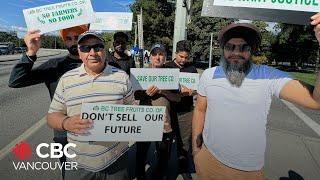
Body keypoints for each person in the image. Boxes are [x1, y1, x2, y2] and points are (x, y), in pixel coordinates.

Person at [192, 13, 320, 180]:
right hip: (207, 161)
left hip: (247, 172)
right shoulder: (208, 75)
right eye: (230, 46)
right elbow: (200, 110)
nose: (236, 53)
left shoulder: (267, 76)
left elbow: (315, 101)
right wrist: (196, 150)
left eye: (244, 47)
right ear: (222, 49)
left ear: (251, 50)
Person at [47, 31, 134, 180]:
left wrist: (155, 120)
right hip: (78, 164)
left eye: (97, 47)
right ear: (80, 53)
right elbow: (52, 116)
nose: (93, 52)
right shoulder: (66, 80)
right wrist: (66, 122)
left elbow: (134, 110)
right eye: (86, 48)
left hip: (117, 161)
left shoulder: (121, 77)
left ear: (105, 50)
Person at [8, 25, 88, 178]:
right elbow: (16, 81)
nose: (73, 42)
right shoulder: (54, 65)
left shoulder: (97, 63)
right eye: (68, 39)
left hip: (94, 130)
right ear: (64, 42)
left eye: (77, 38)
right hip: (63, 134)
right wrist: (31, 52)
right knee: (69, 173)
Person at [134, 43, 180, 180]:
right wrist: (146, 94)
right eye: (155, 54)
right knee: (141, 154)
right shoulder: (141, 74)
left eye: (161, 54)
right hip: (145, 121)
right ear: (150, 57)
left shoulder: (171, 75)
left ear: (165, 57)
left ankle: (159, 176)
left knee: (163, 156)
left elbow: (177, 98)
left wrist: (162, 91)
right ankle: (140, 176)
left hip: (164, 124)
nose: (158, 57)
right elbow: (135, 96)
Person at [165, 40, 197, 180]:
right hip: (169, 112)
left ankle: (183, 168)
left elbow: (197, 89)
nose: (183, 60)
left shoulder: (192, 69)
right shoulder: (166, 68)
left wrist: (193, 92)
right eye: (181, 56)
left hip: (186, 111)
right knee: (166, 143)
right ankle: (164, 169)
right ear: (175, 53)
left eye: (186, 57)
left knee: (184, 143)